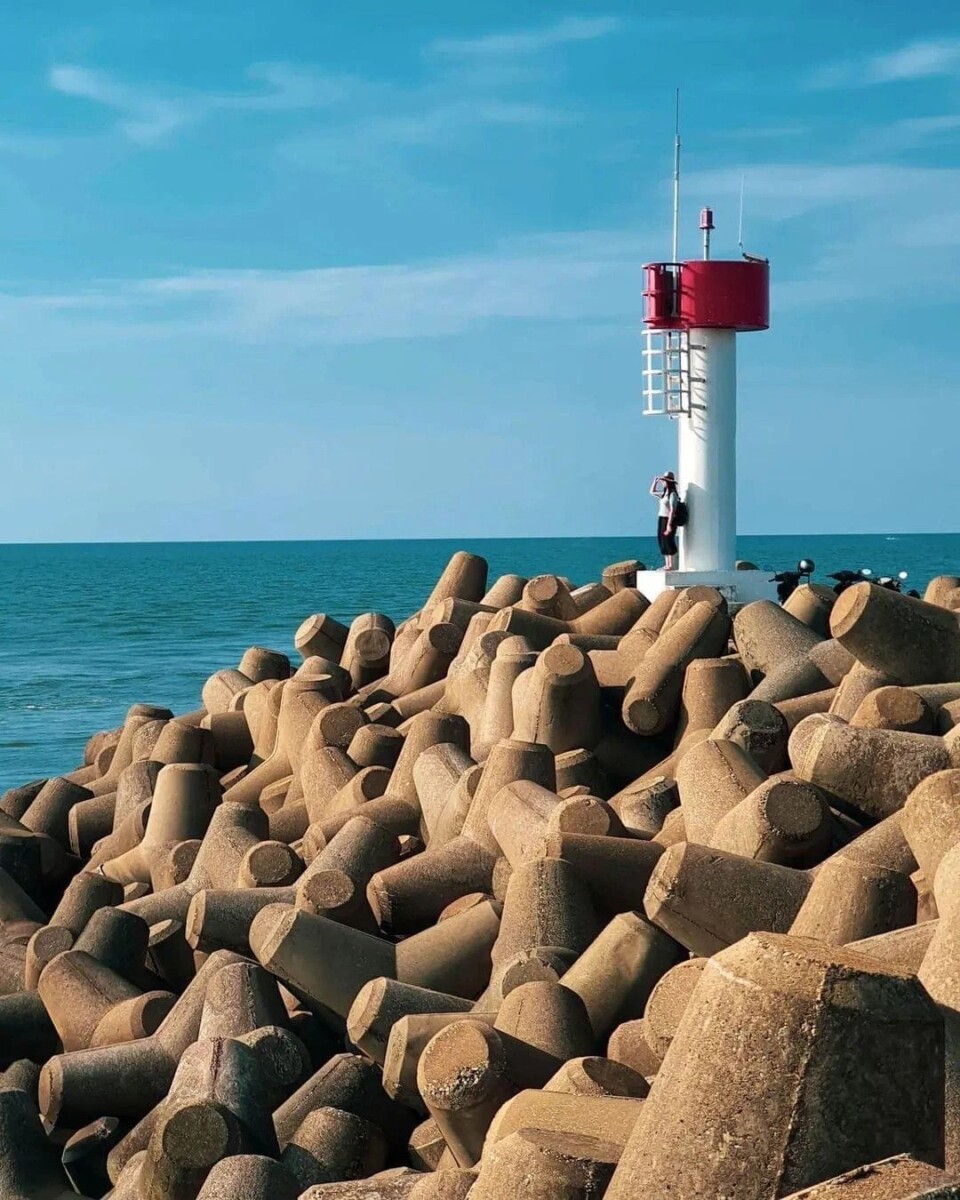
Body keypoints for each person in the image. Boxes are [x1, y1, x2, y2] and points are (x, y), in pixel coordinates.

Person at [650, 471, 679, 569]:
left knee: (668, 540)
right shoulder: (664, 494)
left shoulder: (673, 495)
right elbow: (652, 492)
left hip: (668, 519)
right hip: (661, 518)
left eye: (664, 481)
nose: (663, 482)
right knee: (662, 540)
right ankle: (667, 564)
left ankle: (670, 565)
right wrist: (655, 482)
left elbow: (672, 510)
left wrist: (669, 525)